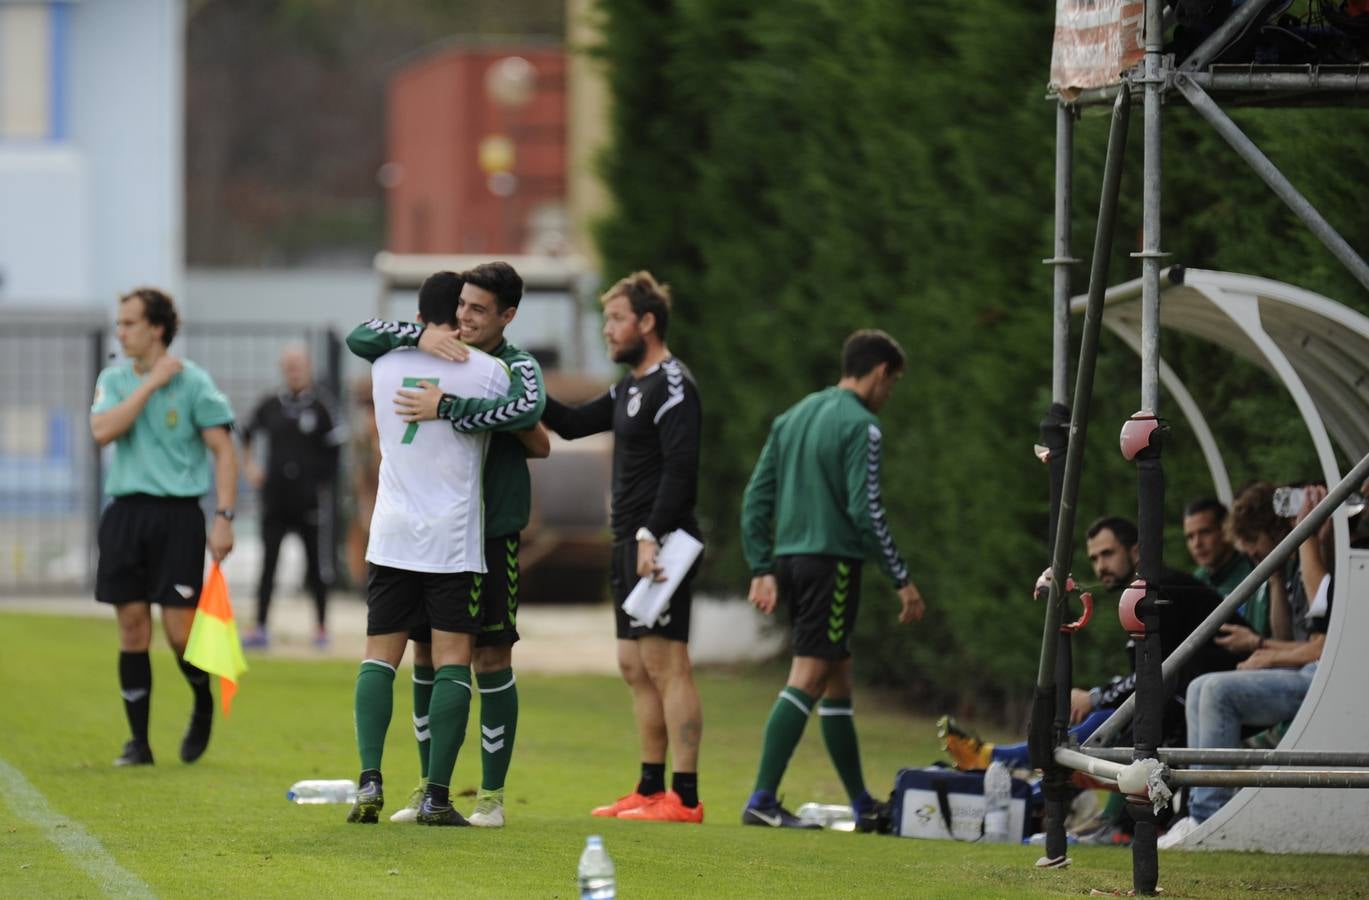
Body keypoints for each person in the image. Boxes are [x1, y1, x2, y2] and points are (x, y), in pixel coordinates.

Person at [344, 261, 549, 827]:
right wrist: (424, 338)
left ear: (506, 316)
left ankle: (490, 794)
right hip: (447, 538)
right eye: (461, 305)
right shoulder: (462, 360)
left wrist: (450, 407)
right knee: (433, 658)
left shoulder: (505, 365)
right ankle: (430, 789)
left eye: (478, 309)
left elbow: (537, 429)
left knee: (491, 657)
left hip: (486, 530)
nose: (464, 316)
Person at [738, 329, 925, 830]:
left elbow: (756, 498)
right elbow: (865, 512)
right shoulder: (862, 426)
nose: (888, 397)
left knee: (837, 677)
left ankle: (863, 805)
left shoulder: (792, 417)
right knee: (810, 675)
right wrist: (900, 578)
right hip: (833, 563)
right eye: (892, 385)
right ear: (881, 373)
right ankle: (761, 798)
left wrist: (761, 566)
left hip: (793, 561)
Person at [540, 270, 706, 824]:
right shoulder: (629, 386)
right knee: (634, 664)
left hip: (661, 543)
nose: (608, 330)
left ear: (648, 322)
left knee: (667, 662)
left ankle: (684, 797)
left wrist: (649, 535)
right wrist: (513, 382)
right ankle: (649, 787)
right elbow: (567, 424)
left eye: (615, 319)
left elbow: (681, 472)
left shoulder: (674, 385)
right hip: (628, 541)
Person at [940, 516, 1240, 771]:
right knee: (1112, 723)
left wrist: (1095, 697)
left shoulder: (1158, 589)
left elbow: (1155, 677)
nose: (1100, 567)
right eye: (1095, 558)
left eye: (1108, 554)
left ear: (1136, 551)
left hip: (1220, 692)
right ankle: (1001, 763)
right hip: (1192, 697)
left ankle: (995, 759)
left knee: (1108, 722)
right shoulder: (1141, 591)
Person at [90, 287, 237, 767]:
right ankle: (139, 744)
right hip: (126, 513)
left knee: (179, 632)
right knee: (132, 626)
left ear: (156, 328)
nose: (121, 331)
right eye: (119, 322)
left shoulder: (194, 382)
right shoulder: (114, 379)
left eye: (129, 323)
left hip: (178, 517)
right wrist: (151, 383)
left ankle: (202, 699)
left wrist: (224, 518)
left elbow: (224, 451)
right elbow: (103, 431)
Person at [1158, 481, 1334, 848]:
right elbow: (1297, 634)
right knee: (1200, 686)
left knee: (1218, 692)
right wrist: (1273, 574)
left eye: (1256, 547)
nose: (1253, 554)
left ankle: (1210, 818)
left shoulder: (1320, 557)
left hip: (1327, 677)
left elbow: (1323, 646)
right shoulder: (1294, 568)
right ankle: (1195, 812)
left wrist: (1264, 648)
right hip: (1309, 670)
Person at [240, 345, 342, 649]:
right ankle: (260, 627)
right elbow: (245, 432)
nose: (294, 371)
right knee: (268, 564)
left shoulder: (322, 406)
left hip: (309, 501)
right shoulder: (271, 404)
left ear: (308, 367)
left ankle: (321, 628)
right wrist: (250, 466)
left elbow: (335, 451)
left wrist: (321, 483)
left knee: (316, 566)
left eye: (298, 365)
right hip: (275, 500)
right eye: (289, 366)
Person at [1184, 497, 1262, 633]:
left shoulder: (1255, 569)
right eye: (1190, 537)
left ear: (1225, 530)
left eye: (1205, 532)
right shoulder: (1194, 583)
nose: (1197, 544)